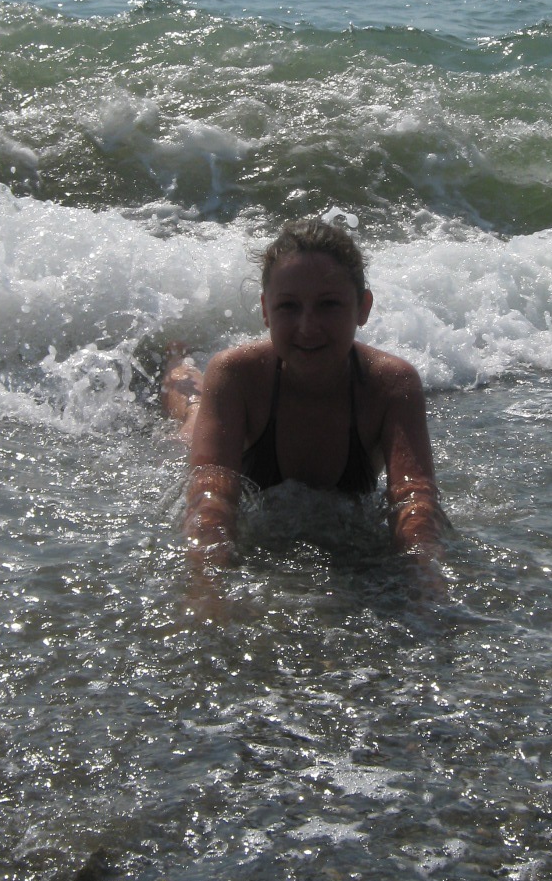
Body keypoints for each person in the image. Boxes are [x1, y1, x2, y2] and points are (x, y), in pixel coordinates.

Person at [163, 218, 446, 616]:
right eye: (288, 306)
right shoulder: (235, 374)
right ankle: (175, 361)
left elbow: (415, 498)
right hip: (232, 402)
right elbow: (211, 497)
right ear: (266, 310)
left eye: (328, 305)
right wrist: (206, 583)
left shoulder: (391, 385)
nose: (307, 327)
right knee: (190, 420)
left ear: (363, 308)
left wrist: (425, 581)